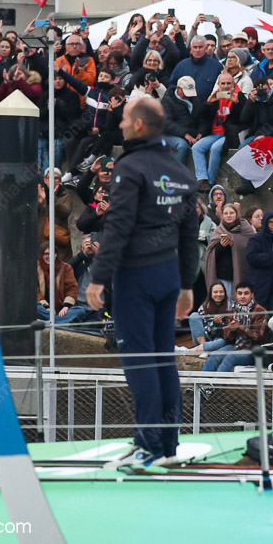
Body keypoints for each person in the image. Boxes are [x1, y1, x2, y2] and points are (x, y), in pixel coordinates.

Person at [84, 97, 199, 469]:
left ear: (137, 125)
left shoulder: (130, 166)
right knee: (163, 357)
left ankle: (146, 445)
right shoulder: (180, 171)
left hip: (136, 275)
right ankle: (167, 445)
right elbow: (189, 234)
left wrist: (98, 278)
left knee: (138, 359)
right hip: (168, 275)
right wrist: (186, 285)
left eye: (123, 119)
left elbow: (118, 225)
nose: (118, 125)